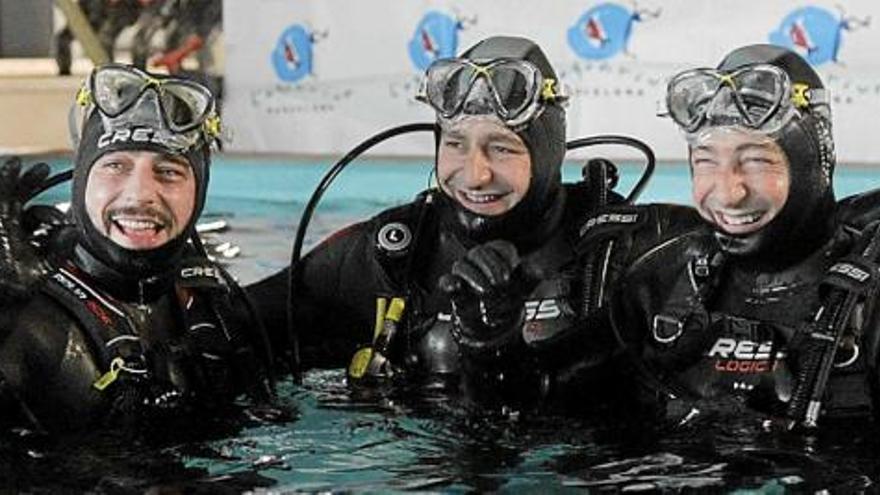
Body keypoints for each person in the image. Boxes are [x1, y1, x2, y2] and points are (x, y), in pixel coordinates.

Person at [250, 35, 670, 414]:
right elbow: (244, 324)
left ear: (547, 155)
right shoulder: (399, 253)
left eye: (501, 149)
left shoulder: (617, 251)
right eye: (455, 144)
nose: (475, 175)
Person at [609, 44, 880, 428]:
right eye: (706, 161)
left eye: (755, 160)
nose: (727, 192)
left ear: (817, 160)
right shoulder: (656, 284)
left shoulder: (870, 297)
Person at [0, 64, 272, 433]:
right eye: (115, 166)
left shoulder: (209, 304)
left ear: (199, 191)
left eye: (169, 172)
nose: (140, 194)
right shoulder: (27, 314)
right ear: (81, 181)